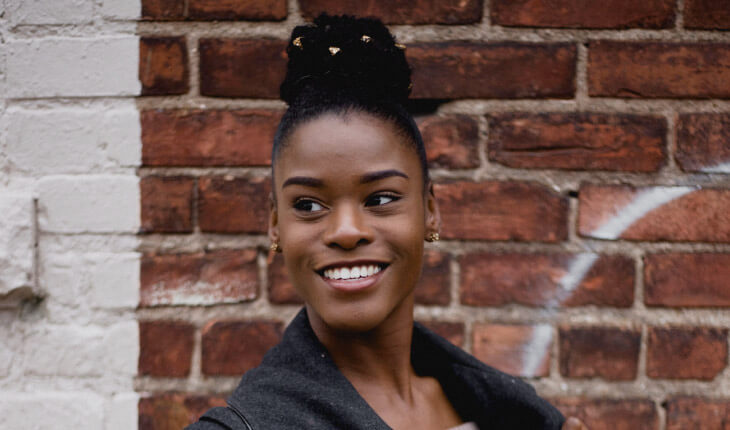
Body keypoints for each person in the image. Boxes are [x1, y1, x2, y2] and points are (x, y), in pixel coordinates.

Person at [187, 14, 587, 430]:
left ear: (429, 210)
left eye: (380, 198)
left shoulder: (503, 413)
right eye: (307, 205)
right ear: (275, 226)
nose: (346, 231)